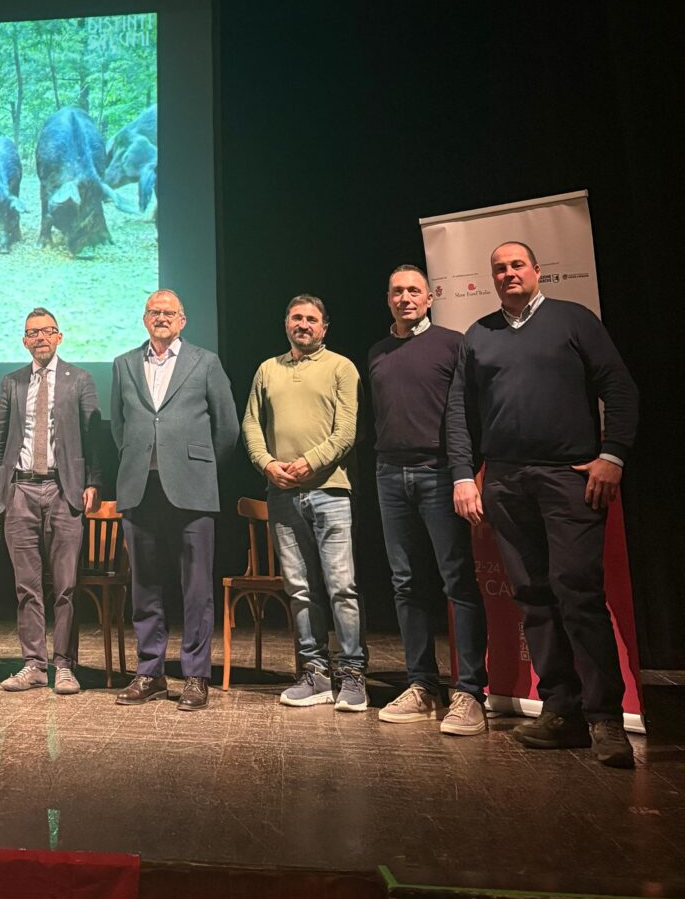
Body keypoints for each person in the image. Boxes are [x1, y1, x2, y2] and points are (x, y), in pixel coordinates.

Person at [447, 241, 639, 768]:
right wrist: (463, 474)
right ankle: (562, 712)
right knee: (532, 597)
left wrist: (613, 456)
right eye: (499, 268)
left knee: (578, 593)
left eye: (517, 265)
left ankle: (606, 719)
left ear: (536, 271)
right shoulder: (478, 335)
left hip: (568, 478)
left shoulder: (573, 320)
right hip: (505, 481)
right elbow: (459, 413)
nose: (508, 273)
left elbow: (620, 389)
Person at [368, 266, 487, 734]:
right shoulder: (377, 352)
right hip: (388, 475)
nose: (406, 298)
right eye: (397, 291)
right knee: (405, 583)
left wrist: (464, 473)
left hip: (439, 474)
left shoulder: (452, 344)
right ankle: (421, 686)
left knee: (457, 580)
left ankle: (470, 692)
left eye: (414, 291)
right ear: (388, 298)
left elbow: (468, 413)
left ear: (430, 297)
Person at [110, 289, 239, 711]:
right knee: (145, 586)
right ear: (144, 319)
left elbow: (227, 428)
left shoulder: (206, 362)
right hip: (140, 488)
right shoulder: (124, 363)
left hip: (192, 490)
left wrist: (197, 468)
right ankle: (150, 673)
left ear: (182, 320)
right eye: (154, 311)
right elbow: (119, 428)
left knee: (196, 588)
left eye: (169, 312)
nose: (161, 317)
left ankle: (196, 676)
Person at [242, 295, 366, 711]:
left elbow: (347, 431)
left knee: (341, 587)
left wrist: (310, 462)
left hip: (330, 492)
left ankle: (352, 674)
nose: (304, 324)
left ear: (324, 327)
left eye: (312, 319)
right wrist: (267, 464)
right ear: (286, 323)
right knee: (299, 589)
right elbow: (251, 423)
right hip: (281, 494)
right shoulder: (267, 369)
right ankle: (315, 674)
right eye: (297, 317)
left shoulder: (341, 367)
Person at [0, 307, 102, 695]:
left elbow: (93, 437)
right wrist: (0, 491)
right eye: (32, 333)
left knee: (66, 586)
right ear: (24, 341)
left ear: (59, 337)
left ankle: (65, 666)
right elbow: (1, 440)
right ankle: (34, 665)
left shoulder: (80, 379)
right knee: (27, 586)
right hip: (20, 490)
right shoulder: (11, 382)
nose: (40, 337)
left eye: (47, 331)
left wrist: (94, 482)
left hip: (63, 489)